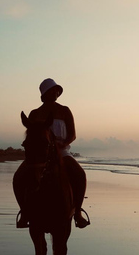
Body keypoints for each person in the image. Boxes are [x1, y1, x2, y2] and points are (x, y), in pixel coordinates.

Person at [13, 78, 89, 229]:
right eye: (53, 90)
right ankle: (25, 212)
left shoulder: (65, 111)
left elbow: (72, 135)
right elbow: (31, 135)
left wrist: (63, 143)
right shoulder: (35, 113)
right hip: (40, 153)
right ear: (45, 93)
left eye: (57, 90)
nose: (56, 93)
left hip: (62, 152)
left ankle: (78, 212)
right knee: (19, 177)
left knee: (79, 174)